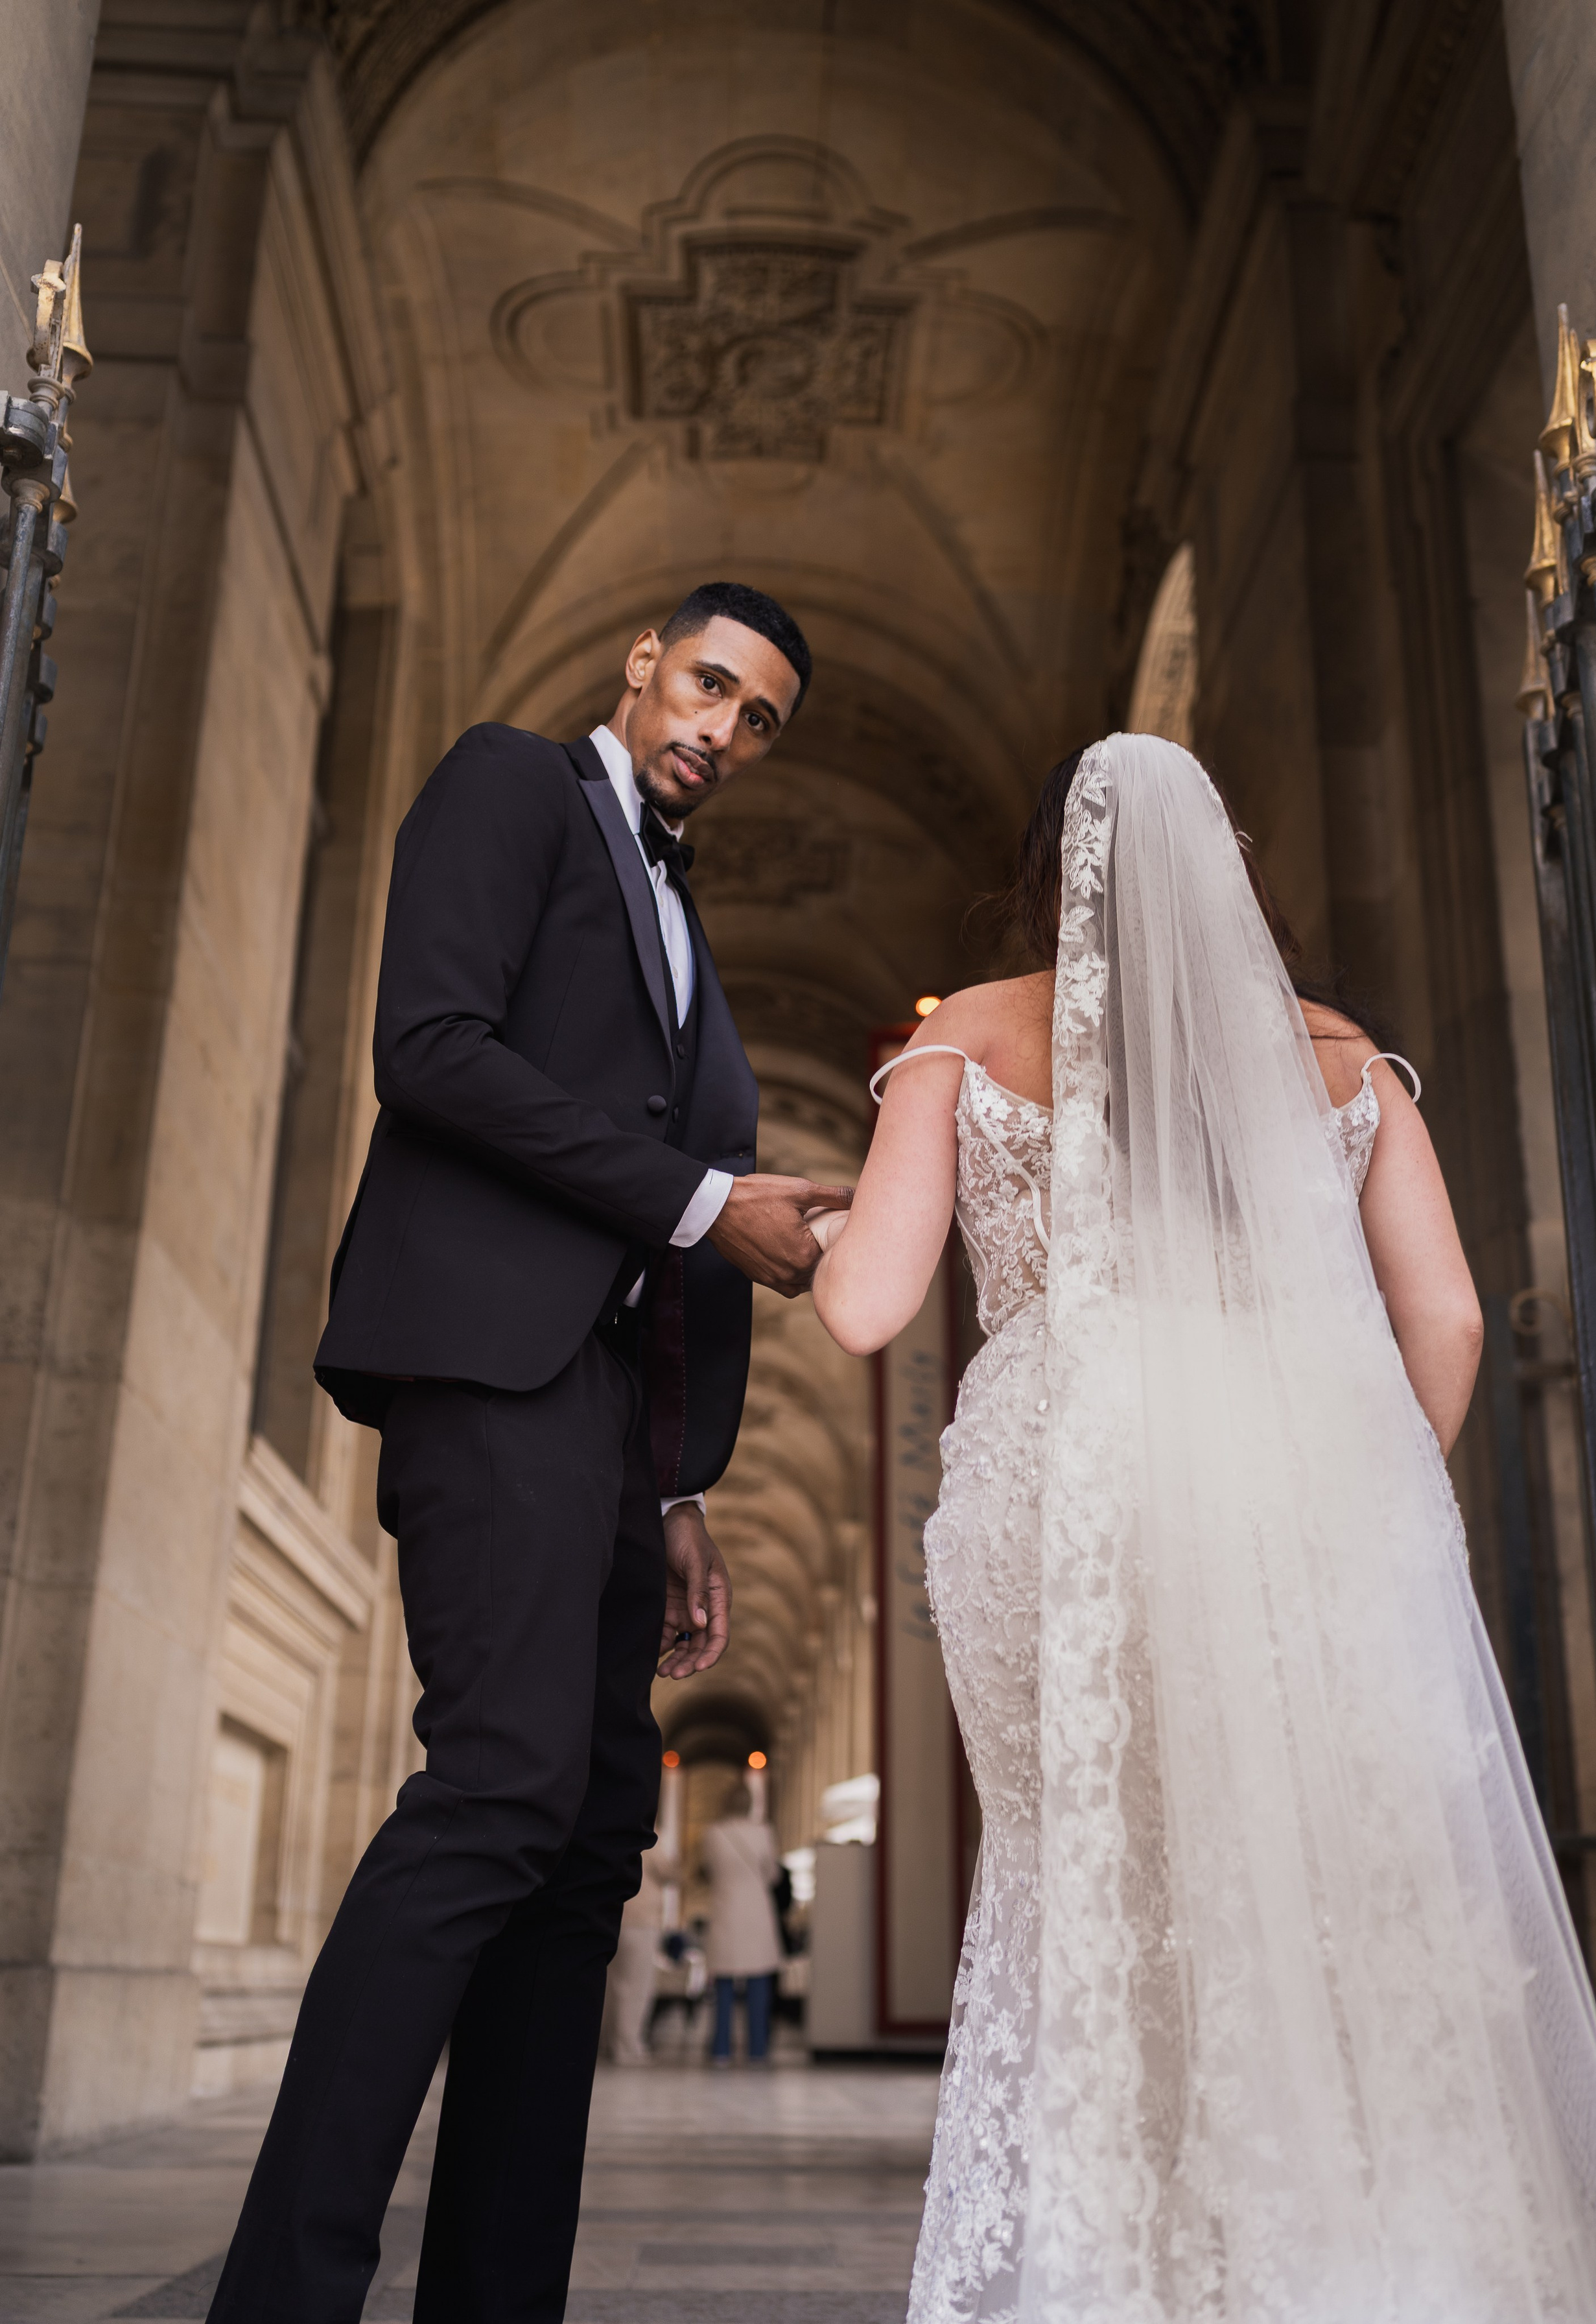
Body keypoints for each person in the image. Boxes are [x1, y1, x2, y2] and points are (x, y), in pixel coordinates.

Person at [810, 734, 1596, 2322]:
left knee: (1085, 1878)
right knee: (1295, 1882)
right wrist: (1358, 1497)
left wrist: (819, 1229)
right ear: (1224, 863)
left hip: (1053, 1504)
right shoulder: (1331, 1057)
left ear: (1053, 868)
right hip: (1290, 1495)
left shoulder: (966, 1038)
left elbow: (866, 1307)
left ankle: (1113, 2267)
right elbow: (1449, 1321)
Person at [207, 582, 851, 2321]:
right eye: (708, 683)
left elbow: (653, 1201)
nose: (722, 728)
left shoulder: (683, 918)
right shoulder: (509, 782)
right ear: (645, 660)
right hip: (486, 1371)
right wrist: (709, 1201)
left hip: (615, 1425)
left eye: (760, 718)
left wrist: (680, 1488)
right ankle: (279, 2297)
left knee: (585, 1851)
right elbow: (428, 1049)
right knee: (494, 1793)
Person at [701, 1777, 781, 2066]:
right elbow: (773, 1874)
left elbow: (707, 1870)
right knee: (758, 1982)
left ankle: (721, 2048)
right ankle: (757, 2048)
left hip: (725, 1910)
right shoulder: (764, 1832)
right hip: (756, 1912)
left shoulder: (712, 1834)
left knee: (723, 1983)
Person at [600, 1845, 669, 2064]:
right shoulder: (650, 1841)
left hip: (615, 1917)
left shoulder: (613, 1836)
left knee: (614, 1985)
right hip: (641, 1921)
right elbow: (670, 1872)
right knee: (637, 1987)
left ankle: (607, 2043)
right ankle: (627, 2047)